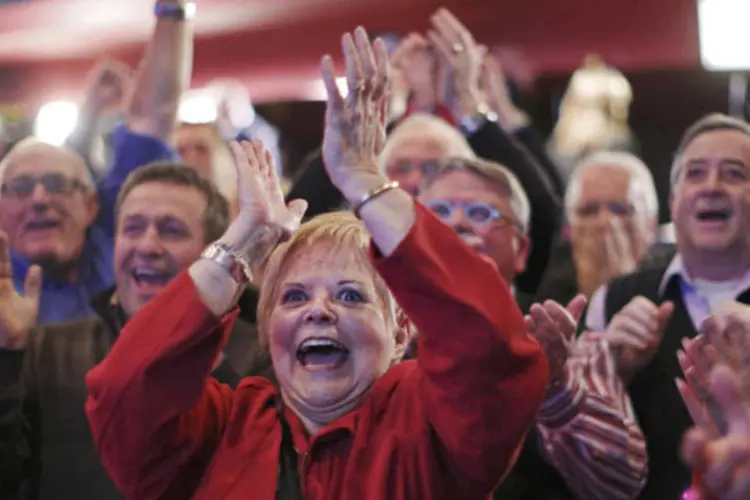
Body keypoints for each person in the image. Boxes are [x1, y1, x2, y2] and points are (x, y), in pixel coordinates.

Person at [84, 28, 548, 499]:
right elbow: (124, 392)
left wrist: (366, 179)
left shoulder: (430, 426)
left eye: (350, 295)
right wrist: (241, 244)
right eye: (293, 296)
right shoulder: (221, 428)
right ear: (265, 328)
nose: (319, 311)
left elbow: (490, 351)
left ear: (401, 330)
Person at [0, 162, 271, 500]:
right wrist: (7, 356)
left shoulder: (260, 357)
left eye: (171, 230)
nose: (148, 246)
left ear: (212, 251)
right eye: (133, 228)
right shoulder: (48, 349)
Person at [419, 157, 647, 499]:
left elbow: (620, 484)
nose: (459, 224)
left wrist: (557, 388)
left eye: (481, 213)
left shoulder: (564, 334)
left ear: (521, 250)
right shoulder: (375, 332)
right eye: (439, 212)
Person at [585, 113, 750, 499]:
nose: (712, 187)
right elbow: (573, 459)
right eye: (695, 173)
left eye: (734, 173)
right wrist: (612, 372)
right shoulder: (612, 300)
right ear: (673, 201)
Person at [0, 0, 193, 325]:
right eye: (20, 188)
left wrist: (173, 9)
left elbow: (152, 119)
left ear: (91, 206)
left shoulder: (113, 241)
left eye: (56, 185)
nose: (39, 199)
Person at [535, 151, 660, 305]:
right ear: (570, 228)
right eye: (589, 210)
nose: (604, 222)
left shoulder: (673, 283)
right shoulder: (546, 287)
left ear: (650, 226)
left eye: (619, 209)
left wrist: (623, 288)